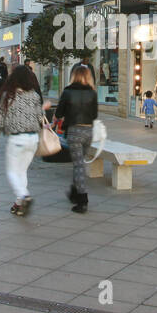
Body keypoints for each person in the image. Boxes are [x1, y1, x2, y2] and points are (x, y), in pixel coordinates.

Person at [0, 65, 49, 217]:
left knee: (12, 172)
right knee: (22, 171)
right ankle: (19, 204)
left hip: (17, 139)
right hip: (33, 139)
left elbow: (0, 121)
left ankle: (24, 196)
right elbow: (40, 119)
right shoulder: (34, 95)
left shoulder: (8, 95)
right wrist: (43, 108)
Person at [55, 63, 98, 214]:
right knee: (79, 164)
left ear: (73, 75)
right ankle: (74, 192)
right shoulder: (92, 93)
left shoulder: (67, 92)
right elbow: (94, 115)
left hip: (74, 131)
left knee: (78, 165)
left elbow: (59, 113)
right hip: (89, 131)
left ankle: (82, 199)